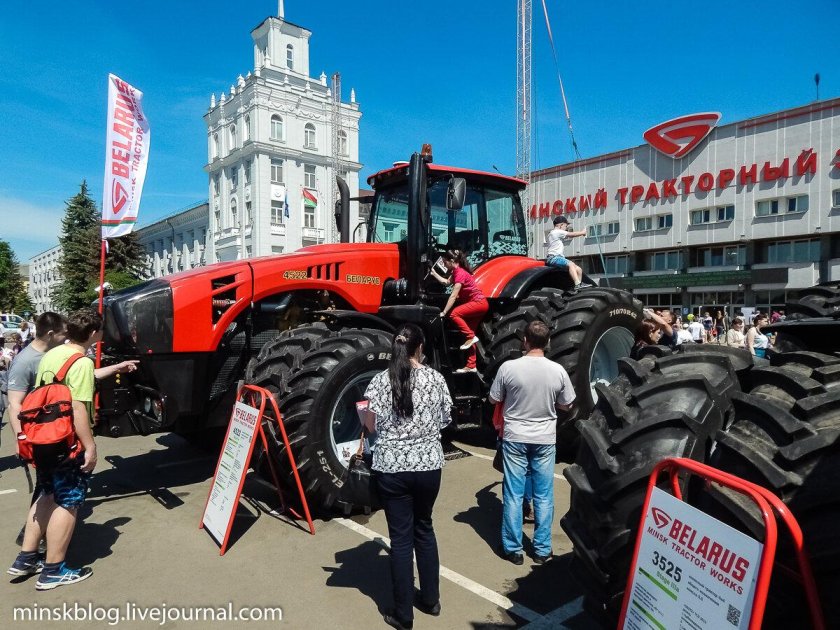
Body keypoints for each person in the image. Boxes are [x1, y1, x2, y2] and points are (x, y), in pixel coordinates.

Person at [8, 309, 131, 590]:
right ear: (93, 334)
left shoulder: (53, 355)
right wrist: (90, 446)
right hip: (67, 441)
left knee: (46, 493)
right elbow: (77, 408)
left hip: (44, 438)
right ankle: (54, 570)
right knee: (69, 500)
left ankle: (27, 557)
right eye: (100, 331)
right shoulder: (82, 362)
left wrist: (116, 368)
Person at [362, 324, 452, 630]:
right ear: (420, 347)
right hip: (428, 466)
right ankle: (431, 599)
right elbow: (445, 419)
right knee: (424, 528)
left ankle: (404, 615)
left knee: (401, 540)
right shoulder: (436, 379)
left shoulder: (379, 381)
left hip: (392, 468)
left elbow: (369, 426)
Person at [489, 320, 576, 566]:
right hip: (545, 438)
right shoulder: (557, 370)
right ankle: (542, 549)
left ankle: (513, 549)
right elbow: (567, 404)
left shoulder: (508, 368)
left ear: (525, 341)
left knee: (513, 494)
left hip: (515, 436)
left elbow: (494, 398)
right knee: (544, 496)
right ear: (547, 342)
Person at [430, 249, 489, 373]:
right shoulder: (455, 272)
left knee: (454, 314)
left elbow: (453, 295)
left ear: (452, 261)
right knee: (470, 334)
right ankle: (471, 365)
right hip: (478, 304)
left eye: (445, 262)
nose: (444, 265)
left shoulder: (460, 273)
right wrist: (434, 274)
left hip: (478, 303)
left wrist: (444, 312)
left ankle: (471, 337)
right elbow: (446, 282)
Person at [544, 216, 590, 290]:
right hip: (554, 257)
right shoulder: (556, 232)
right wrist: (582, 232)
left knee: (578, 269)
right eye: (566, 226)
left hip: (557, 257)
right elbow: (572, 234)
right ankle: (577, 284)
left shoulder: (552, 233)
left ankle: (579, 285)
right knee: (571, 264)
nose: (566, 228)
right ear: (561, 225)